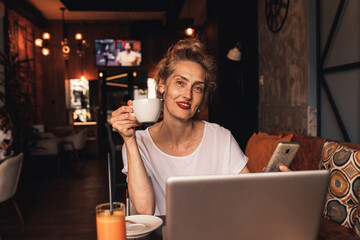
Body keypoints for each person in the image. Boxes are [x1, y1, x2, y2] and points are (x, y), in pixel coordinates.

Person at [110, 38, 289, 216]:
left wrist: (272, 185)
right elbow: (145, 210)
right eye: (180, 82)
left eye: (197, 88)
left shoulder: (221, 137)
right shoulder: (137, 142)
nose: (187, 94)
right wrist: (129, 140)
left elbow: (249, 194)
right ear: (162, 84)